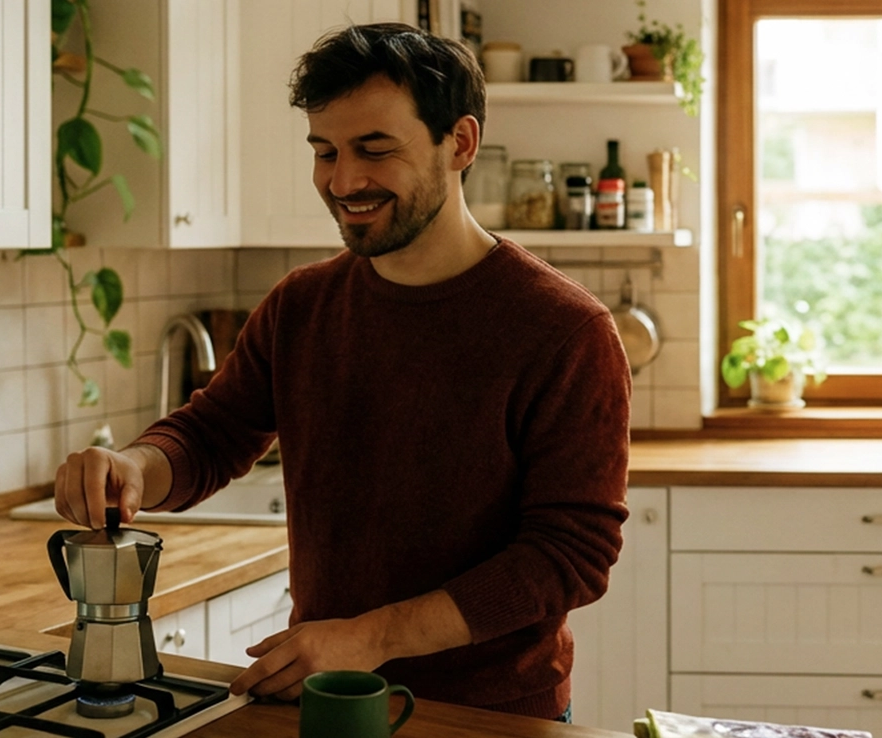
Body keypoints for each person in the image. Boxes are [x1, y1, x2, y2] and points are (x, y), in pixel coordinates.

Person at [52, 22, 631, 722]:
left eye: (374, 150)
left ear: (462, 143)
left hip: (493, 715)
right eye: (324, 151)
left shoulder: (565, 330)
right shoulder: (303, 305)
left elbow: (569, 556)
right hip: (326, 701)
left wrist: (372, 638)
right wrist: (138, 467)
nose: (342, 180)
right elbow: (212, 433)